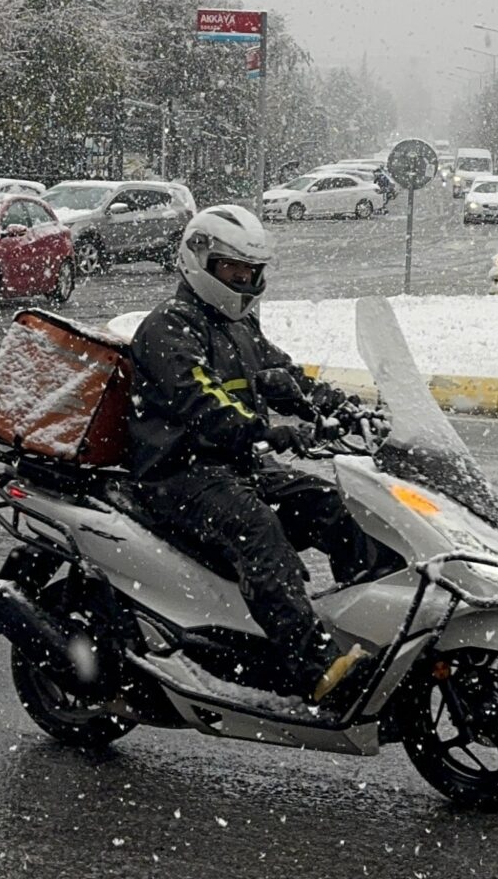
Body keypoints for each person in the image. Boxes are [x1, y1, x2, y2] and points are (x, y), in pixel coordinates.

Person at [126, 204, 377, 704]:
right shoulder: (169, 327)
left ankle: (370, 626)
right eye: (233, 269)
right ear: (200, 261)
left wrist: (343, 406)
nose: (244, 279)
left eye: (252, 271)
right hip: (179, 475)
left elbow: (285, 378)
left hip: (234, 469)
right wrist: (267, 431)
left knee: (334, 505)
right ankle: (315, 670)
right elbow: (201, 400)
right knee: (261, 533)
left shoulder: (237, 326)